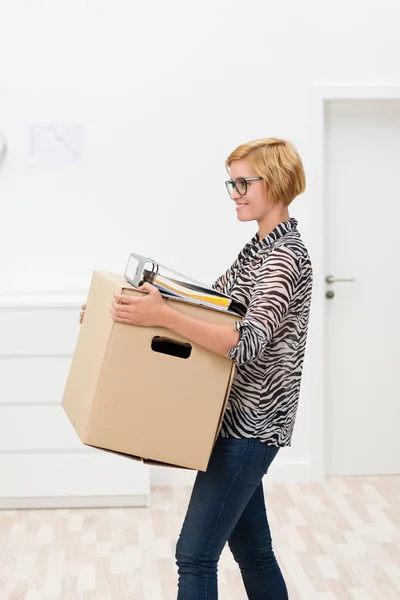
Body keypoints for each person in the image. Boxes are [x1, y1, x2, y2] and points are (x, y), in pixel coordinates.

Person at [79, 138, 313, 599]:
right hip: (229, 421)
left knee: (196, 555)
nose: (235, 193)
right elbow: (210, 310)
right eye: (232, 183)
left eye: (244, 182)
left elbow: (242, 342)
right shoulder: (259, 249)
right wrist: (121, 314)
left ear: (279, 180)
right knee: (254, 553)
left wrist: (162, 316)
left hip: (252, 427)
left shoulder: (286, 258)